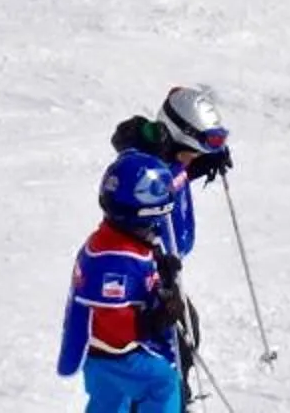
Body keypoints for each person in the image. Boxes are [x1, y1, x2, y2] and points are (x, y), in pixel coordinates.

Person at [57, 155, 187, 413]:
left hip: (100, 355)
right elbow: (112, 317)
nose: (154, 228)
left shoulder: (114, 241)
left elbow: (136, 283)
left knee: (111, 402)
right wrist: (153, 321)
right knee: (162, 384)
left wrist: (161, 273)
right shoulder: (114, 259)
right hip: (114, 354)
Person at [109, 84, 234, 262]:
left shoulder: (176, 161)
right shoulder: (146, 172)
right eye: (190, 155)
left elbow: (178, 177)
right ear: (172, 141)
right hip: (145, 264)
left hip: (172, 259)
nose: (190, 161)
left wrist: (206, 161)